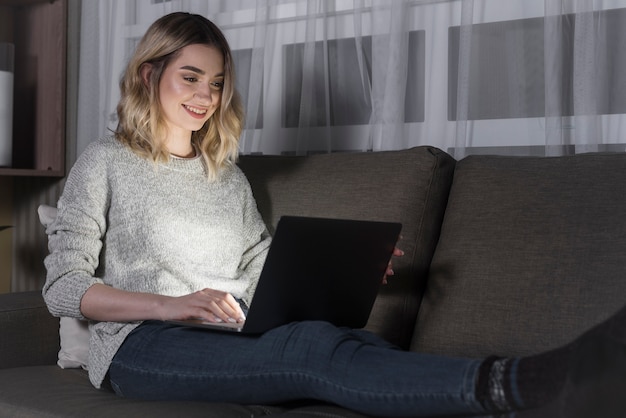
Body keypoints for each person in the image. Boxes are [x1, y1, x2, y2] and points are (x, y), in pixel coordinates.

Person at [42, 12, 626, 417]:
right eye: (190, 77)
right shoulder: (105, 162)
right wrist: (172, 305)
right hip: (143, 347)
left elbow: (256, 262)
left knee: (331, 336)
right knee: (308, 355)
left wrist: (338, 270)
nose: (205, 97)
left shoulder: (224, 175)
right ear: (151, 75)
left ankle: (527, 392)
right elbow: (64, 288)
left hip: (233, 330)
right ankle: (530, 381)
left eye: (216, 84)